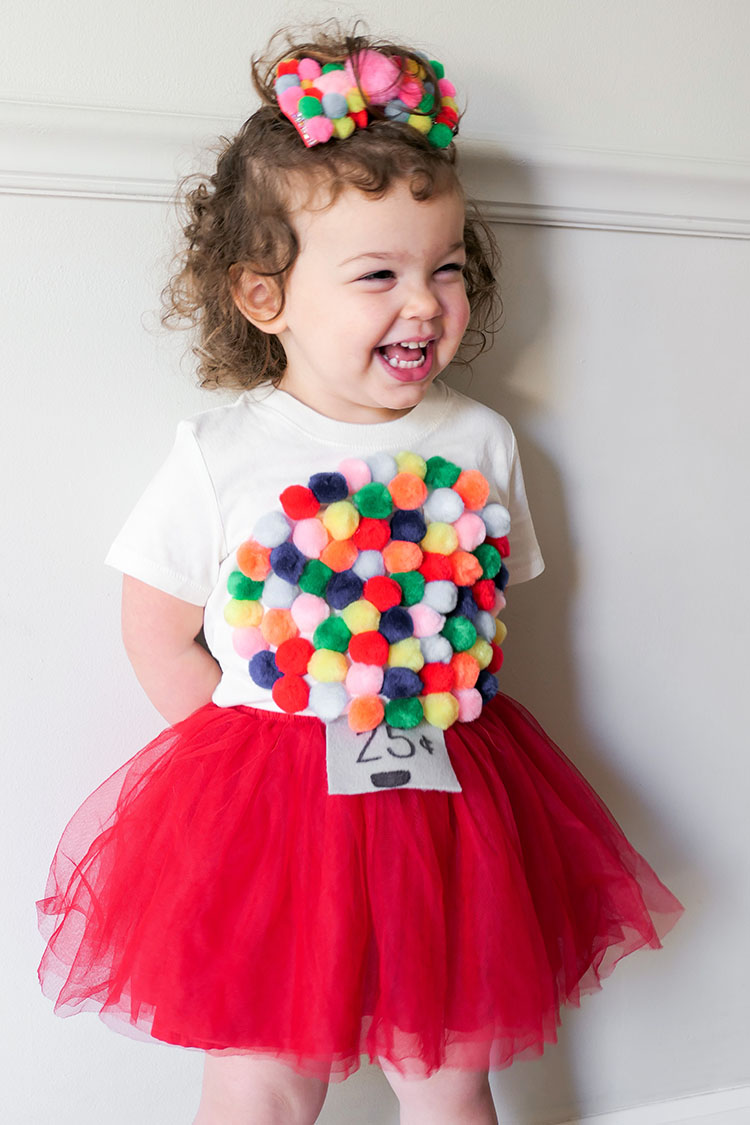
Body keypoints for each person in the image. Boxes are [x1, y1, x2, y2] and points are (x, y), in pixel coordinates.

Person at [37, 22, 683, 1125]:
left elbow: (487, 617)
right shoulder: (224, 453)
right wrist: (241, 768)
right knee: (262, 1072)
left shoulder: (478, 441)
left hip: (445, 800)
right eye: (379, 274)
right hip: (274, 809)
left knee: (447, 1068)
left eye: (444, 269)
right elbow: (156, 627)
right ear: (265, 298)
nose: (423, 304)